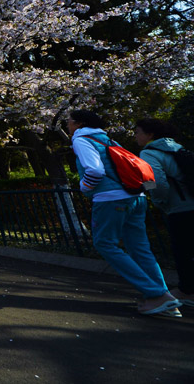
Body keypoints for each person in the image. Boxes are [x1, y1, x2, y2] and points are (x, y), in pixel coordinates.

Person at [68, 110, 181, 317]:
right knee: (140, 248)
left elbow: (94, 170)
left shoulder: (82, 139)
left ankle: (157, 294)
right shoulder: (109, 140)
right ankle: (164, 299)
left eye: (70, 121)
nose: (67, 124)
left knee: (104, 243)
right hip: (136, 197)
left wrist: (84, 188)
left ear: (79, 123)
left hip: (110, 199)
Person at [135, 118, 194, 307]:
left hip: (180, 207)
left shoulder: (149, 153)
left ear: (150, 134)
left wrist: (158, 200)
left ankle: (187, 290)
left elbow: (155, 181)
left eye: (138, 132)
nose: (135, 136)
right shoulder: (177, 148)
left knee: (183, 250)